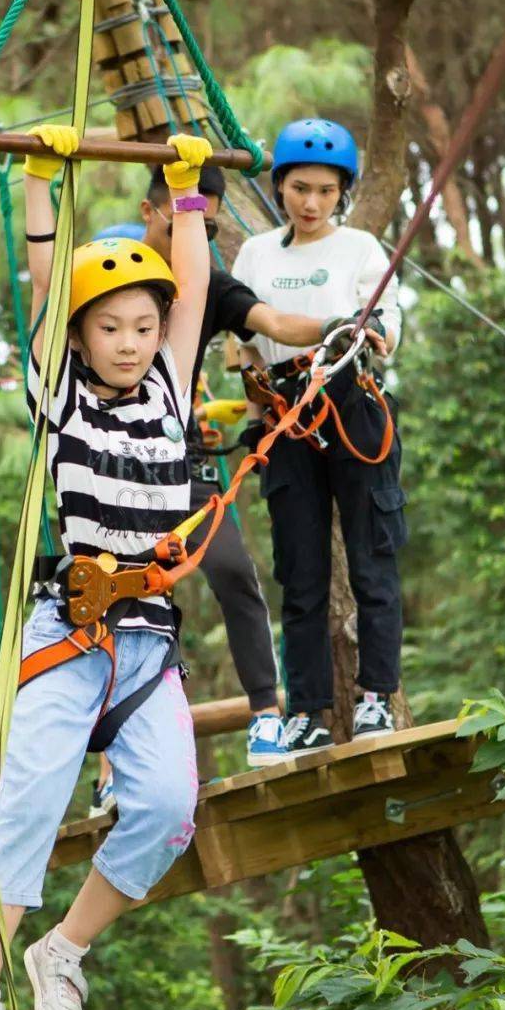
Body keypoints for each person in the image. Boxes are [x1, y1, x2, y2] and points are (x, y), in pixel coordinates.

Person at [0, 125, 212, 1010]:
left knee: (172, 809)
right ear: (83, 335)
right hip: (72, 628)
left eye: (142, 328)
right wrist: (39, 190)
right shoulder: (61, 389)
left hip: (149, 642)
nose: (132, 344)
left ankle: (65, 948)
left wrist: (187, 195)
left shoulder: (173, 391)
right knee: (25, 807)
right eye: (111, 328)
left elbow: (197, 294)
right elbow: (46, 287)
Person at [90, 160, 329, 783]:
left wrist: (339, 325)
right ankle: (114, 766)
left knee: (231, 571)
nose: (192, 243)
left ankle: (266, 717)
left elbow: (275, 324)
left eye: (207, 229)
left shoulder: (209, 288)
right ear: (149, 214)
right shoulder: (113, 276)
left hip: (182, 460)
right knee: (118, 598)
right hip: (109, 465)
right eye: (180, 226)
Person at [232, 118, 408, 753]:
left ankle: (374, 701)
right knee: (300, 575)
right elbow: (245, 348)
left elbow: (386, 322)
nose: (311, 204)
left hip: (351, 401)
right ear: (279, 187)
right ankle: (307, 709)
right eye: (300, 188)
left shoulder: (360, 249)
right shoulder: (255, 254)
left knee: (372, 563)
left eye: (327, 192)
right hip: (286, 411)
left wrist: (378, 332)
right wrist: (256, 427)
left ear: (344, 193)